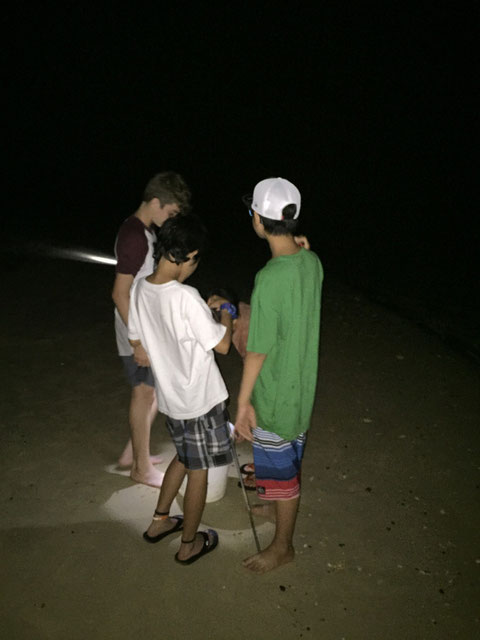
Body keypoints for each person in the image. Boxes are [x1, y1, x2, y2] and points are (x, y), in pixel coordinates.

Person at [128, 214, 236, 564]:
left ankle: (160, 522)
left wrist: (196, 317)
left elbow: (137, 337)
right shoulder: (187, 296)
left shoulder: (141, 288)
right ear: (188, 256)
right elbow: (221, 345)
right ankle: (189, 543)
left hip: (173, 400)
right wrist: (227, 312)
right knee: (199, 471)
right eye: (196, 259)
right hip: (199, 402)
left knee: (185, 457)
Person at [234, 177, 323, 574]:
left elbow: (257, 350)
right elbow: (304, 266)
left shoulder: (270, 277)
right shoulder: (311, 262)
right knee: (284, 461)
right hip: (301, 389)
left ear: (257, 218)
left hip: (275, 395)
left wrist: (243, 402)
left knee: (282, 471)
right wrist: (303, 248)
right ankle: (272, 508)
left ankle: (283, 546)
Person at [112, 172, 191, 487]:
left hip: (143, 329)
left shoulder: (140, 231)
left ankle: (134, 452)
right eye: (170, 213)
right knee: (144, 394)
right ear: (156, 202)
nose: (170, 219)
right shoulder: (134, 236)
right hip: (136, 332)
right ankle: (140, 468)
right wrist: (138, 341)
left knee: (152, 391)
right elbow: (120, 292)